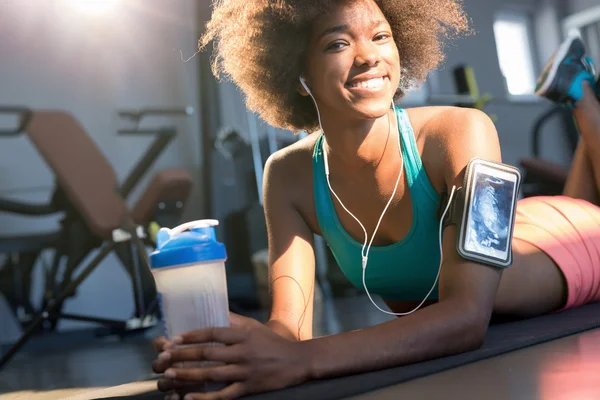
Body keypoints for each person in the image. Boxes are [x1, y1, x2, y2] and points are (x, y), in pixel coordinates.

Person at [151, 1, 600, 398]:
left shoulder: (462, 131)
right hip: (528, 226)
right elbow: (289, 328)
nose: (369, 56)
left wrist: (302, 361)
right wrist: (221, 349)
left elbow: (466, 317)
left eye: (381, 36)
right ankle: (579, 89)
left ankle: (584, 99)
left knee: (590, 215)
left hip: (574, 243)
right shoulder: (286, 175)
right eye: (337, 44)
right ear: (299, 74)